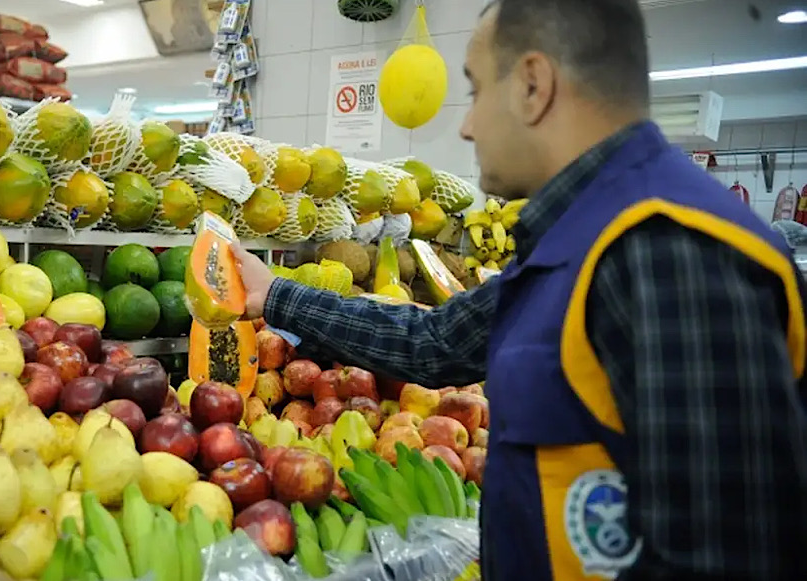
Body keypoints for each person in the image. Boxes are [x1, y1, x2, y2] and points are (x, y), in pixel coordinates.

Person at [233, 0, 807, 579]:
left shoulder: (672, 253)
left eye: (477, 90)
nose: (466, 124)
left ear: (534, 85)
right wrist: (276, 295)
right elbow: (434, 341)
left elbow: (725, 553)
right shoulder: (579, 239)